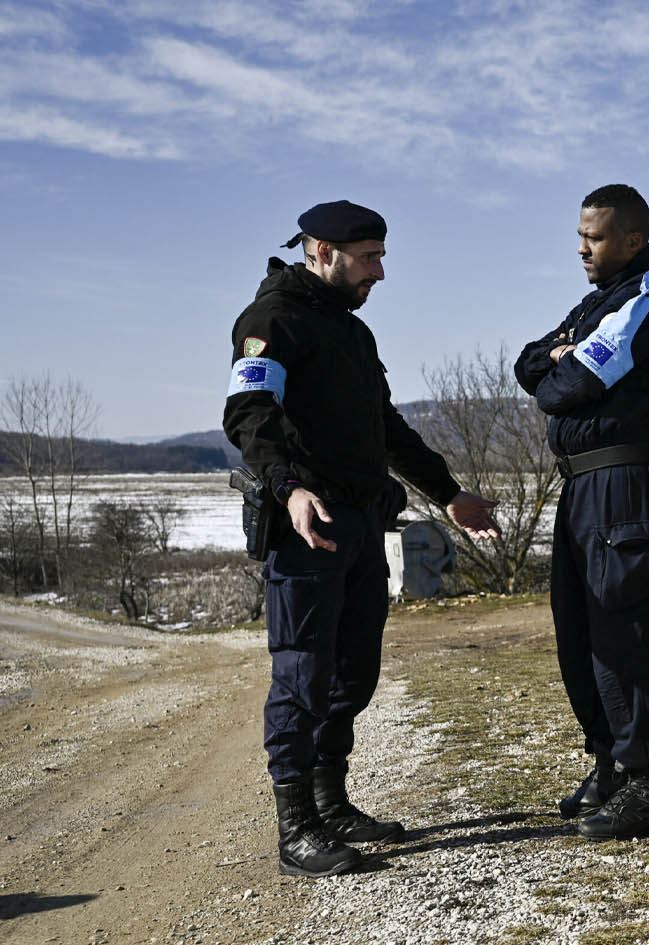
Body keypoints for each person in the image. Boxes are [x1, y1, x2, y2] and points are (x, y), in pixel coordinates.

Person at [223, 199, 499, 877]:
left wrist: (449, 493)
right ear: (322, 252)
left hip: (360, 523)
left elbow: (387, 428)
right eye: (369, 258)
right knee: (302, 673)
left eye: (381, 256)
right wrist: (289, 488)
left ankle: (330, 800)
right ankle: (296, 828)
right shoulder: (271, 321)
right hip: (307, 526)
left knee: (354, 670)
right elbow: (250, 413)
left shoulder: (351, 332)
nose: (379, 272)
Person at [514, 184, 649, 840]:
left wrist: (563, 361)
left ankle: (648, 782)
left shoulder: (647, 298)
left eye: (594, 237)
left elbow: (565, 387)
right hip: (582, 484)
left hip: (622, 481)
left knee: (624, 631)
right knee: (579, 632)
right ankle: (611, 762)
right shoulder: (598, 303)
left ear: (632, 239)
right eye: (580, 236)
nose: (581, 248)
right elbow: (528, 364)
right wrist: (557, 355)